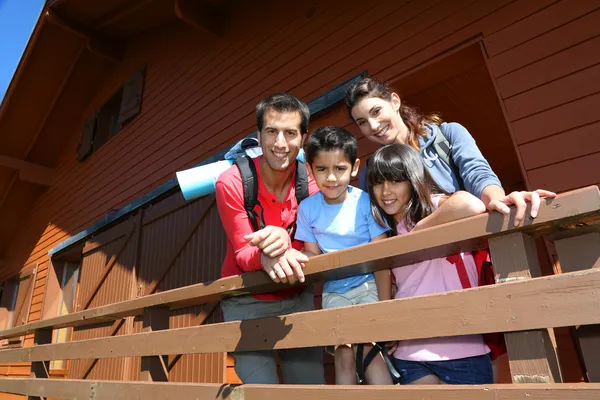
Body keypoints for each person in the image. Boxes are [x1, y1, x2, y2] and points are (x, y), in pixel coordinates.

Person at [215, 93, 325, 384]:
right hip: (245, 300)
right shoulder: (232, 181)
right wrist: (269, 251)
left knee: (309, 388)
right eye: (271, 131)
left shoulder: (313, 185)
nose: (280, 143)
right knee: (262, 391)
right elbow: (242, 253)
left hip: (296, 298)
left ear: (303, 137)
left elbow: (314, 246)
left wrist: (284, 244)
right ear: (258, 134)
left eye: (290, 133)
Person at [346, 77, 555, 226]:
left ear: (395, 101)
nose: (373, 126)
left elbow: (477, 173)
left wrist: (497, 200)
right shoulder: (370, 172)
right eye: (362, 122)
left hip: (466, 250)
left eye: (376, 112)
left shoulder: (448, 134)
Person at [366, 143, 493, 385]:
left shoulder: (433, 208)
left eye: (395, 180)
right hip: (410, 352)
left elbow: (471, 204)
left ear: (413, 180)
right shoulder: (385, 231)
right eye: (378, 183)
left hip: (463, 347)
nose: (385, 191)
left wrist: (419, 231)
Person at [295, 126, 392, 385]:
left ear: (354, 167)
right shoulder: (307, 208)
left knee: (369, 350)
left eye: (339, 168)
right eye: (322, 169)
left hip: (368, 284)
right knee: (343, 354)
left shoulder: (365, 202)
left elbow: (382, 258)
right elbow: (311, 255)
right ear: (310, 170)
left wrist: (385, 306)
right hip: (334, 291)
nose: (331, 178)